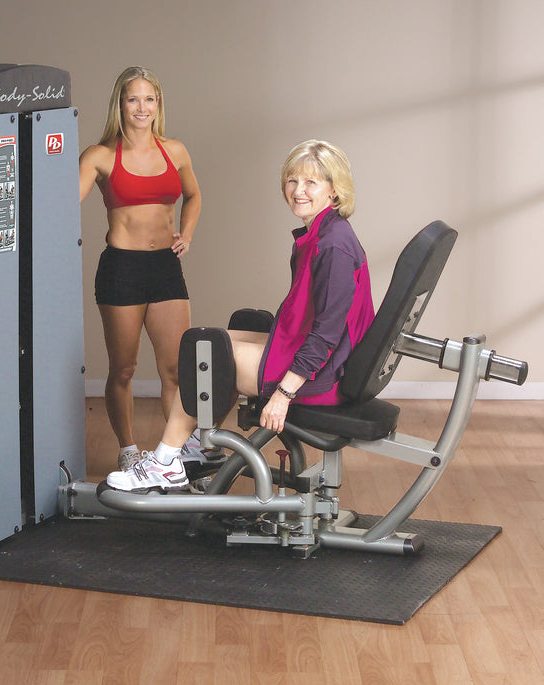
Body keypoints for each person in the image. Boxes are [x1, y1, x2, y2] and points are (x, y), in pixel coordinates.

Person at [106, 139, 376, 492]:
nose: (298, 191)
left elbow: (328, 332)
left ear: (334, 190)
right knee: (208, 340)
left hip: (328, 374)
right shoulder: (323, 232)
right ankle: (197, 447)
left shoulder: (334, 245)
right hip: (321, 356)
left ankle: (165, 463)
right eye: (292, 180)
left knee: (207, 354)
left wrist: (283, 394)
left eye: (311, 182)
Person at [80, 66, 211, 472]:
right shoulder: (100, 155)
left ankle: (175, 454)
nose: (142, 107)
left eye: (149, 99)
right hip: (122, 269)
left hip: (164, 267)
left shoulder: (175, 151)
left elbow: (193, 195)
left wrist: (186, 234)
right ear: (120, 104)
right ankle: (128, 449)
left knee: (175, 370)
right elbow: (61, 203)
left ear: (158, 104)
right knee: (123, 369)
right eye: (133, 99)